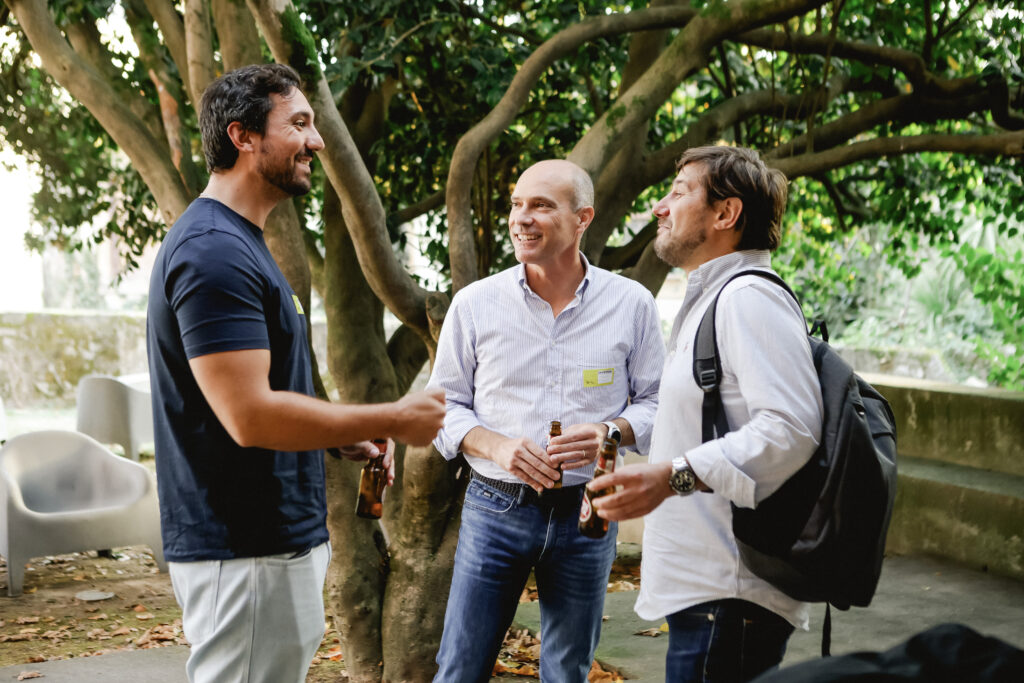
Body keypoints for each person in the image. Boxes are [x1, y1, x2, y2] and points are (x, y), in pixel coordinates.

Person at [146, 63, 446, 683]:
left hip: (272, 543)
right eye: (300, 124)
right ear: (243, 135)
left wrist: (339, 434)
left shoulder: (241, 241)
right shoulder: (212, 251)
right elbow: (249, 415)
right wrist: (394, 416)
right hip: (244, 546)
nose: (318, 140)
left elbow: (261, 393)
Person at [590, 145, 824, 682]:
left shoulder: (748, 299)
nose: (660, 207)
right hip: (709, 591)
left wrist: (671, 476)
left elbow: (791, 428)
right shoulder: (715, 299)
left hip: (730, 594)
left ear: (726, 214)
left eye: (678, 193)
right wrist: (614, 435)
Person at [428, 159, 665, 682]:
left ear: (583, 219)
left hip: (589, 509)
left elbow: (656, 402)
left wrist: (610, 433)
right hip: (495, 505)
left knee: (568, 671)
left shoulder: (632, 304)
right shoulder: (475, 304)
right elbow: (441, 406)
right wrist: (495, 445)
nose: (521, 217)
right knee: (460, 668)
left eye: (540, 205)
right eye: (517, 204)